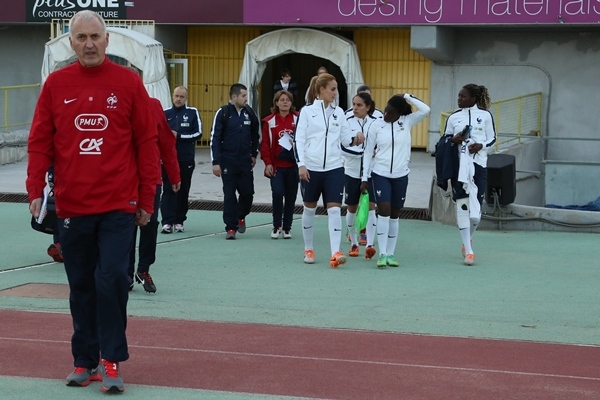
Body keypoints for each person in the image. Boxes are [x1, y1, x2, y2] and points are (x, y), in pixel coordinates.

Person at [26, 10, 159, 393]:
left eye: (95, 36)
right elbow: (40, 141)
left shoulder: (129, 83)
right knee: (81, 285)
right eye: (81, 37)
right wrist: (35, 188)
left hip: (119, 206)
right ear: (71, 43)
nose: (88, 44)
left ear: (107, 40)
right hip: (72, 208)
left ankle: (112, 359)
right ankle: (84, 360)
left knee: (113, 279)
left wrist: (147, 196)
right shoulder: (55, 84)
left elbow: (146, 145)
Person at [295, 73, 364, 268]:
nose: (335, 93)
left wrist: (356, 138)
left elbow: (344, 139)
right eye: (332, 89)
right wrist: (301, 164)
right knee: (309, 209)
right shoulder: (307, 112)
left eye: (336, 89)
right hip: (311, 168)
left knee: (334, 210)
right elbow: (299, 140)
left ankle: (335, 252)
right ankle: (309, 248)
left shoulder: (339, 113)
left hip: (334, 168)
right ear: (321, 90)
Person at [361, 93, 430, 268]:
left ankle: (391, 254)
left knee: (395, 214)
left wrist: (407, 96)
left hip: (400, 175)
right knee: (383, 210)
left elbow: (426, 109)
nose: (385, 115)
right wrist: (364, 177)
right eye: (385, 111)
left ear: (399, 113)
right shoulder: (376, 125)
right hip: (380, 173)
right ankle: (382, 254)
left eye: (390, 113)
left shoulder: (407, 121)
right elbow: (368, 152)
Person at [129, 96, 181, 293]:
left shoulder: (152, 105)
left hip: (150, 177)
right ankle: (125, 272)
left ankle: (143, 269)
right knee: (125, 223)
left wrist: (174, 174)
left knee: (149, 223)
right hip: (122, 178)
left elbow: (167, 142)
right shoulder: (110, 107)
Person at [443, 84, 496, 266]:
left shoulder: (486, 116)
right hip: (459, 167)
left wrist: (482, 146)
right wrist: (453, 140)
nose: (459, 99)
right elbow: (444, 141)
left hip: (479, 165)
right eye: (458, 96)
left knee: (476, 214)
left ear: (473, 98)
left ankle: (469, 239)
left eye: (463, 96)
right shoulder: (453, 117)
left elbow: (493, 138)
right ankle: (469, 251)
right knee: (463, 206)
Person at [210, 83, 260, 239]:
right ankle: (230, 228)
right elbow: (215, 138)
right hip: (228, 161)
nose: (246, 99)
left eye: (246, 96)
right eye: (243, 96)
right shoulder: (223, 113)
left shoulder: (249, 113)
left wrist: (253, 154)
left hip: (245, 161)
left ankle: (241, 215)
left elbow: (255, 135)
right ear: (234, 97)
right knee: (229, 195)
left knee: (248, 193)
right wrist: (215, 162)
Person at [344, 85, 384, 247]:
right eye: (354, 104)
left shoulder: (377, 122)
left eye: (359, 105)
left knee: (371, 207)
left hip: (372, 172)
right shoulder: (345, 121)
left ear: (368, 107)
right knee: (352, 207)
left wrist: (376, 151)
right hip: (352, 171)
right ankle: (353, 242)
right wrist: (364, 152)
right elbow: (343, 147)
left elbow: (382, 144)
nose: (355, 108)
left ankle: (369, 245)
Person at [160, 86, 202, 234]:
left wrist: (179, 136)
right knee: (168, 188)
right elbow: (158, 134)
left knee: (183, 190)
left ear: (186, 98)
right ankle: (166, 222)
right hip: (167, 160)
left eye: (181, 97)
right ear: (172, 96)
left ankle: (179, 221)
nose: (178, 99)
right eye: (176, 96)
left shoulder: (192, 112)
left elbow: (198, 133)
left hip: (186, 159)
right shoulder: (165, 113)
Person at [260, 90, 299, 239]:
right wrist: (268, 163)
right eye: (281, 100)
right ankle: (277, 225)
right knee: (277, 194)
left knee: (291, 197)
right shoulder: (269, 122)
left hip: (293, 167)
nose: (285, 102)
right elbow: (264, 144)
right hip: (277, 166)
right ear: (276, 103)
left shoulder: (298, 119)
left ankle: (287, 227)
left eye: (288, 100)